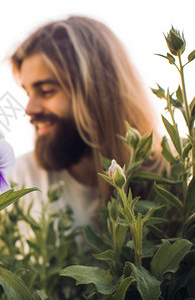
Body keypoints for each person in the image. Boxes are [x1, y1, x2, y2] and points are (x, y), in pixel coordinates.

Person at [9, 16, 166, 227]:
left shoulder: (169, 176)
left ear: (97, 91)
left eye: (46, 91)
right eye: (28, 93)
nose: (29, 109)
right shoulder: (19, 180)